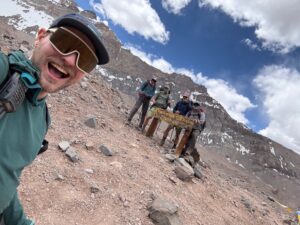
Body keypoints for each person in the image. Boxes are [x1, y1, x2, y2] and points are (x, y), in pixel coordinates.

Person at [0, 13, 109, 225]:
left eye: (85, 60)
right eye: (64, 41)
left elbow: (7, 176)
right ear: (40, 37)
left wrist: (21, 222)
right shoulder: (4, 71)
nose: (69, 59)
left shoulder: (43, 118)